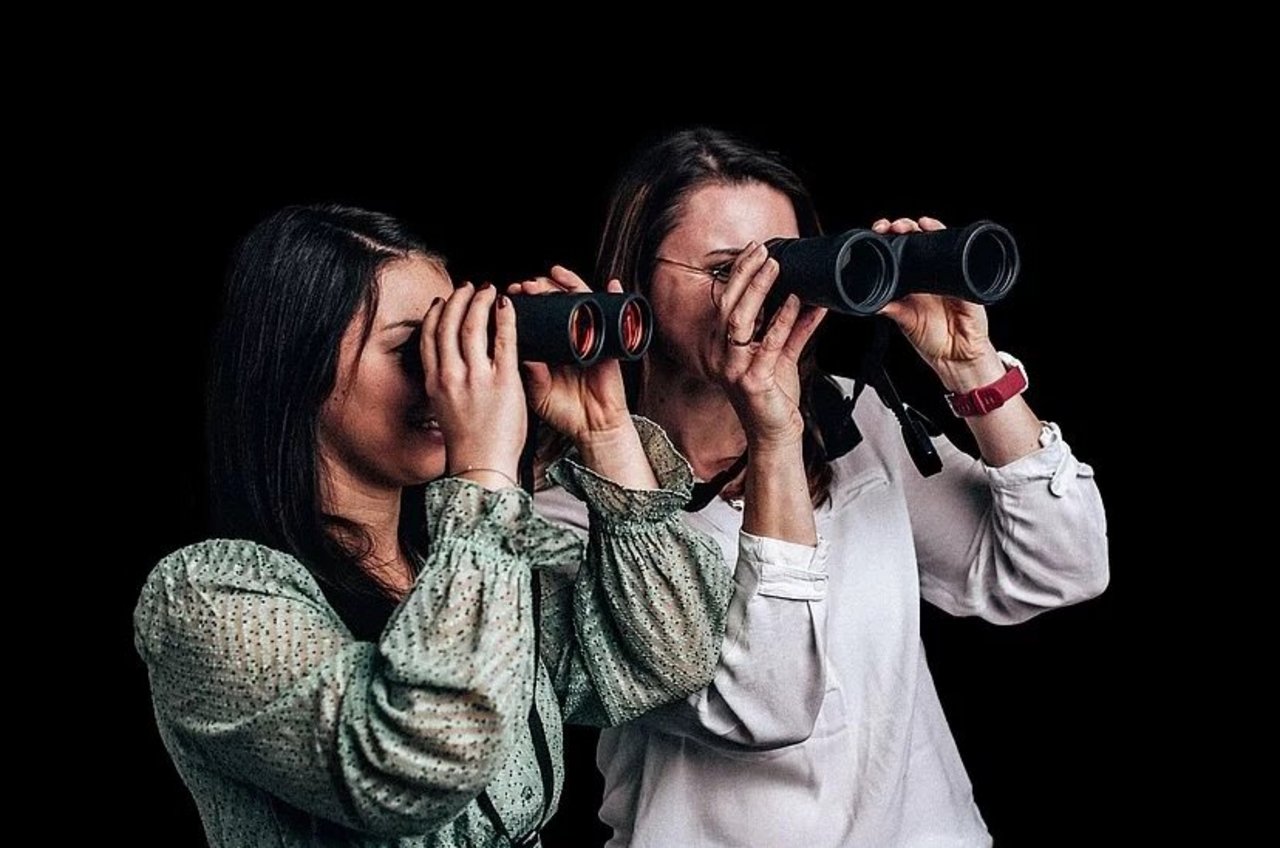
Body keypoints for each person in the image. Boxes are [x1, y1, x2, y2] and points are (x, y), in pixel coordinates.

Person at [533, 128, 1110, 847]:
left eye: (781, 264)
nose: (760, 295)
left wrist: (970, 366)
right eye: (723, 270)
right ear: (638, 280)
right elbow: (763, 708)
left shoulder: (850, 416)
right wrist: (773, 434)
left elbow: (1061, 569)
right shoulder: (576, 512)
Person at [132, 204, 733, 847]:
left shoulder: (482, 565)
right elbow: (416, 765)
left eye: (458, 340)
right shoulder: (207, 599)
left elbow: (670, 659)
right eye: (415, 348)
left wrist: (604, 428)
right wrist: (484, 466)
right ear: (299, 366)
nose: (451, 377)